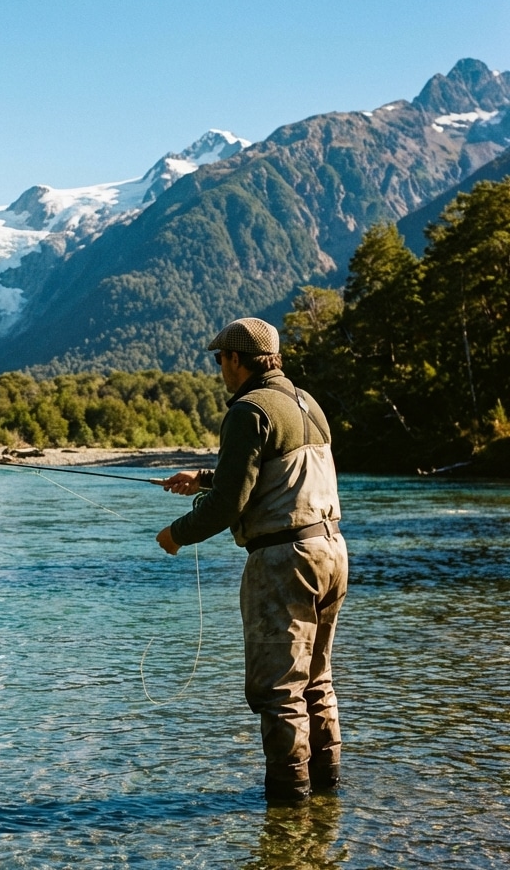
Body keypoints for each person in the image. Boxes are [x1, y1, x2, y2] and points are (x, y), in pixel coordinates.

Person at [156, 317, 347, 803]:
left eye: (220, 359)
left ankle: (288, 799)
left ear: (236, 359)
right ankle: (327, 794)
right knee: (316, 681)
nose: (219, 368)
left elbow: (229, 504)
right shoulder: (306, 402)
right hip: (331, 551)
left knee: (279, 689)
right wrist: (202, 478)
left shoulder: (249, 409)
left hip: (285, 559)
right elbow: (275, 471)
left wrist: (177, 534)